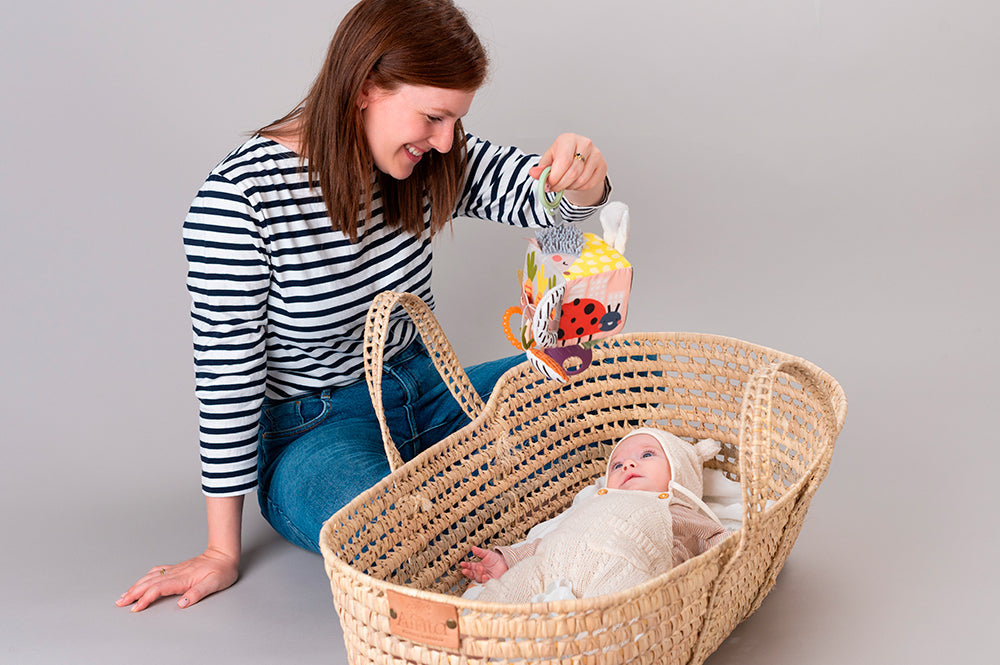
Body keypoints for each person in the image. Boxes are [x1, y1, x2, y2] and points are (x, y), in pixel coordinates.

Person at [116, 0, 610, 613]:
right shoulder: (240, 203)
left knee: (605, 385)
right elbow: (227, 378)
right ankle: (523, 520)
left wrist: (584, 175)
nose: (447, 139)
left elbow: (550, 205)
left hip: (430, 391)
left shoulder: (434, 154)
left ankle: (502, 504)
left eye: (456, 120)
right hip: (315, 430)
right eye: (433, 116)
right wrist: (221, 551)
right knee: (391, 532)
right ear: (365, 90)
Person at [459, 428, 729, 603]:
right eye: (617, 465)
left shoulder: (674, 508)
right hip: (549, 564)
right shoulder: (590, 504)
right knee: (500, 599)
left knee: (609, 612)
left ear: (680, 473)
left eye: (647, 455)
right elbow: (552, 539)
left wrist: (738, 548)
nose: (629, 464)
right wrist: (507, 560)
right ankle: (466, 635)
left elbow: (716, 537)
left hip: (624, 562)